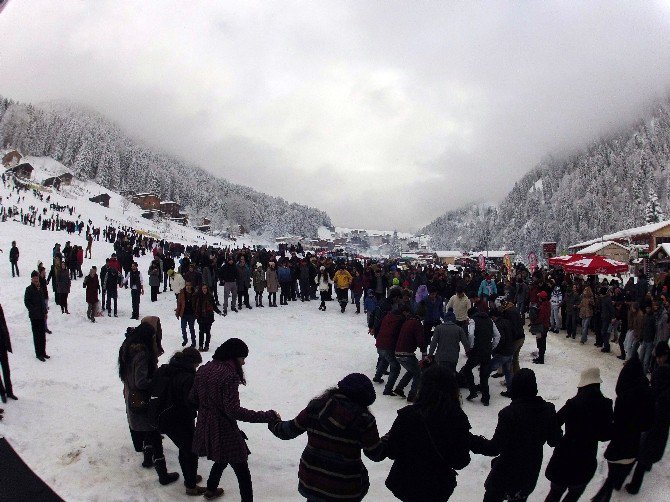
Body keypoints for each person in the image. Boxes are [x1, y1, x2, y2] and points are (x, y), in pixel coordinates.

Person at [268, 373, 385, 501]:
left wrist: (274, 422)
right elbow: (375, 453)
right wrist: (391, 437)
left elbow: (288, 431)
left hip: (312, 481)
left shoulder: (316, 407)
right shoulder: (364, 420)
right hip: (344, 488)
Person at [190, 338, 279, 501]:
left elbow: (193, 398)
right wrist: (267, 416)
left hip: (205, 424)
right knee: (241, 468)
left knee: (222, 457)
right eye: (242, 358)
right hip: (223, 428)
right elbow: (233, 411)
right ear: (233, 356)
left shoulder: (203, 369)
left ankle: (210, 489)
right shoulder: (229, 375)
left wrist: (208, 408)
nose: (243, 362)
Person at [471, 369, 561, 502]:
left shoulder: (509, 414)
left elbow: (494, 448)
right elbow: (554, 440)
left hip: (506, 473)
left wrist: (471, 440)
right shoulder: (548, 409)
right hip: (530, 471)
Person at [383, 365, 471, 502]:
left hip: (407, 483)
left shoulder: (407, 416)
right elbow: (461, 461)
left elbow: (392, 451)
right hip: (438, 487)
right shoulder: (457, 418)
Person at [118, 322, 180, 485]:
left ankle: (147, 458)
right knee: (153, 432)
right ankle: (163, 474)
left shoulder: (127, 348)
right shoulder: (142, 354)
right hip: (143, 398)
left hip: (132, 395)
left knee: (147, 430)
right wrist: (159, 380)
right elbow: (141, 381)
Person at [591, 355, 654, 502]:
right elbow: (649, 423)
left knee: (612, 476)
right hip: (634, 445)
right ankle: (608, 491)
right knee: (617, 475)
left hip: (618, 445)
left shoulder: (624, 397)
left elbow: (617, 422)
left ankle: (601, 497)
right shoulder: (647, 393)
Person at [544, 368, 613, 502]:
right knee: (574, 494)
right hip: (586, 459)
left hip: (564, 457)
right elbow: (606, 435)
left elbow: (555, 422)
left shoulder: (573, 403)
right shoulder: (606, 404)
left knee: (555, 493)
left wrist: (559, 438)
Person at [151, 347, 206, 496]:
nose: (196, 368)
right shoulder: (187, 377)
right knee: (190, 451)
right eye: (196, 365)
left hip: (163, 417)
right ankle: (191, 486)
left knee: (185, 449)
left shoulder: (167, 369)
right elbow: (191, 401)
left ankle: (190, 477)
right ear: (192, 362)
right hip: (179, 419)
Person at [625, 342, 670, 494]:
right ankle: (648, 463)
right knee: (653, 445)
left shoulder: (661, 374)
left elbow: (654, 392)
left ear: (664, 355)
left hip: (656, 417)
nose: (657, 360)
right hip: (663, 420)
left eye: (658, 358)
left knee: (644, 449)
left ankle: (634, 486)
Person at [461, 305, 500, 406]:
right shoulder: (490, 320)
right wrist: (492, 347)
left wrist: (471, 346)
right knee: (484, 374)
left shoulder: (473, 321)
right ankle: (486, 398)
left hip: (477, 351)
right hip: (487, 351)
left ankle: (473, 391)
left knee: (467, 369)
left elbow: (470, 334)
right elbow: (497, 336)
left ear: (471, 315)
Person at [393, 309, 427, 402]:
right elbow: (420, 340)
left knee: (411, 371)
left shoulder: (407, 322)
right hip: (407, 354)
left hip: (398, 353)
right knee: (418, 374)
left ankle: (399, 389)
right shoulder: (417, 324)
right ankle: (413, 395)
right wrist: (424, 352)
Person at [373, 306, 406, 396]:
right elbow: (400, 334)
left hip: (380, 344)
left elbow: (378, 327)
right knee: (395, 367)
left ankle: (377, 376)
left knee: (384, 359)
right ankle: (388, 389)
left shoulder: (387, 316)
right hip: (388, 346)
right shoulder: (400, 320)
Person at [429, 309, 469, 375]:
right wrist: (468, 352)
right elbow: (466, 343)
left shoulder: (438, 328)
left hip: (441, 357)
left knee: (441, 375)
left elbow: (433, 343)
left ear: (445, 319)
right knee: (451, 374)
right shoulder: (459, 329)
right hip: (453, 357)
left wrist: (430, 355)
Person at [24, 271, 49, 361]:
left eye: (37, 278)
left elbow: (43, 302)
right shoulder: (29, 289)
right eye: (34, 278)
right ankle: (38, 354)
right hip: (34, 316)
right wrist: (34, 310)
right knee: (37, 335)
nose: (36, 279)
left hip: (42, 315)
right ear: (32, 279)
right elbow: (27, 302)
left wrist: (45, 312)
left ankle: (43, 352)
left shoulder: (40, 288)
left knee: (42, 335)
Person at [194, 284, 221, 352]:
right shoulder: (199, 296)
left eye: (205, 288)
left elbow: (214, 306)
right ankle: (200, 346)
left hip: (209, 316)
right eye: (203, 288)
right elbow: (196, 307)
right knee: (201, 332)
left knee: (208, 332)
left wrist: (218, 312)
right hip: (201, 317)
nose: (204, 290)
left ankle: (206, 346)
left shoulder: (210, 296)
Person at [0, 305, 17, 402]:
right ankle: (2, 393)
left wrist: (7, 341)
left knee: (6, 368)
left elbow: (3, 323)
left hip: (2, 342)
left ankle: (9, 392)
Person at [176, 282, 197, 348]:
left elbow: (197, 304)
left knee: (191, 329)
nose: (188, 287)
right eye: (186, 285)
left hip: (191, 314)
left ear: (191, 286)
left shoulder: (194, 293)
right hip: (184, 314)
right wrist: (177, 312)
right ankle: (185, 339)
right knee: (183, 328)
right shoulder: (182, 293)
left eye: (189, 285)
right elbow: (179, 303)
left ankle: (193, 342)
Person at [532, 291, 550, 364]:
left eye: (539, 297)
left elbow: (541, 318)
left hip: (541, 327)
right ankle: (540, 357)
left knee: (541, 342)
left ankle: (541, 359)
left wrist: (534, 322)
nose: (538, 298)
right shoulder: (547, 304)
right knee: (542, 342)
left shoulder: (543, 307)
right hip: (545, 326)